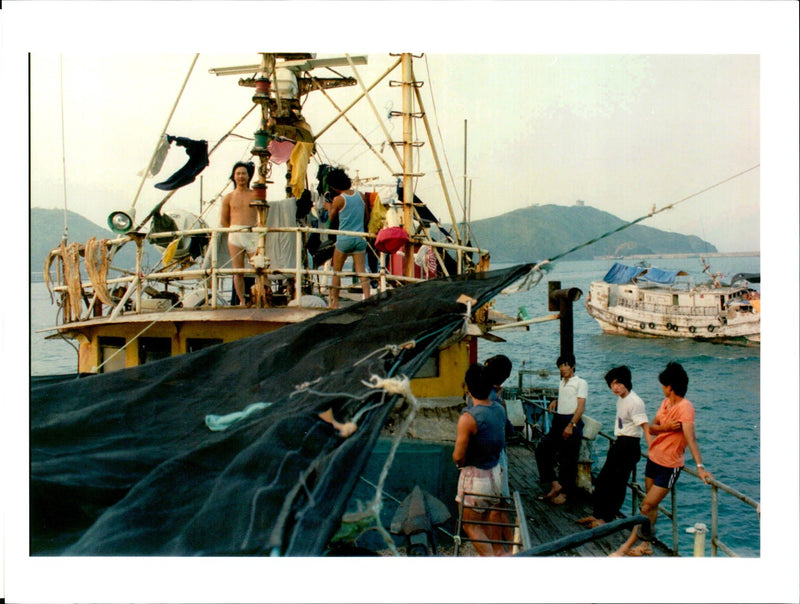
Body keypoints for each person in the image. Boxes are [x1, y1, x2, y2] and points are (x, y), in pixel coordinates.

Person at [611, 362, 714, 556]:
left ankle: (625, 547)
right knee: (652, 506)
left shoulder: (686, 408)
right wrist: (666, 428)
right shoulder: (665, 403)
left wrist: (700, 467)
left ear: (670, 387)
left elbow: (691, 438)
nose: (662, 388)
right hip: (653, 458)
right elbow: (652, 428)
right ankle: (647, 545)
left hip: (669, 465)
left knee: (646, 506)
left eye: (663, 385)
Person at [577, 366, 651, 529]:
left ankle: (605, 519)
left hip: (629, 445)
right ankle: (597, 514)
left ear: (626, 382)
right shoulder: (621, 399)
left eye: (618, 383)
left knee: (617, 484)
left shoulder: (635, 401)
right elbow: (620, 421)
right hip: (620, 443)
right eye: (612, 384)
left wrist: (652, 450)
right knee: (603, 480)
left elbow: (646, 428)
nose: (615, 387)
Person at [453, 364, 508, 556]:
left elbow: (458, 456)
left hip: (475, 479)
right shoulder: (499, 409)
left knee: (470, 526)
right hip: (495, 474)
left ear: (468, 388)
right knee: (482, 522)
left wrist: (460, 463)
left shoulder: (468, 418)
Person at [535, 353, 587, 505]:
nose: (563, 369)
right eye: (560, 366)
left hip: (571, 421)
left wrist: (572, 425)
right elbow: (567, 397)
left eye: (566, 365)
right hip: (559, 419)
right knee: (542, 450)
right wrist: (556, 401)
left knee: (568, 459)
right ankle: (555, 484)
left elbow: (581, 406)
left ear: (573, 366)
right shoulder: (562, 383)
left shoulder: (580, 382)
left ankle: (565, 494)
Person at [324, 168, 370, 309]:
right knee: (361, 271)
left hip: (344, 239)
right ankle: (367, 300)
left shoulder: (338, 200)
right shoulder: (361, 196)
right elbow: (367, 217)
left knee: (337, 271)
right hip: (359, 238)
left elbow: (332, 218)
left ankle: (335, 303)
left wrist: (328, 207)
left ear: (334, 186)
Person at [220, 161, 258, 306]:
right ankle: (242, 301)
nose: (241, 176)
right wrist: (233, 229)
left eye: (243, 173)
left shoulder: (255, 194)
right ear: (234, 176)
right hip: (235, 234)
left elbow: (263, 215)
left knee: (260, 268)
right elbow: (224, 220)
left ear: (248, 176)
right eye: (238, 174)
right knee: (238, 271)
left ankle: (263, 297)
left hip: (252, 234)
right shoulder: (228, 197)